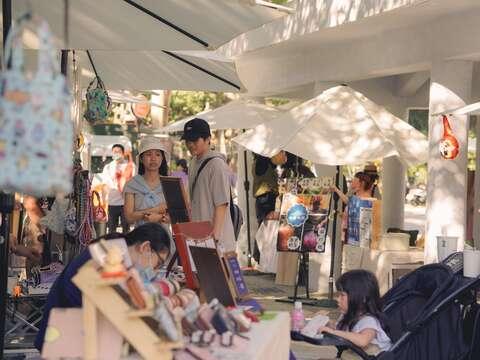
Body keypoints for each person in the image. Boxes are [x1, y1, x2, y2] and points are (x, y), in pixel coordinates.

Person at [34, 223, 172, 352]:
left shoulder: (117, 252)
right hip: (63, 340)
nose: (154, 271)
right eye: (158, 264)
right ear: (146, 248)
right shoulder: (107, 259)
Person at [182, 118, 236, 253]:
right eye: (188, 141)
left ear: (208, 139)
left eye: (195, 140)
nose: (190, 145)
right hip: (199, 237)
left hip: (216, 241)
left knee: (221, 274)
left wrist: (215, 238)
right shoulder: (193, 162)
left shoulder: (216, 165)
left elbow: (222, 204)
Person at [318, 270, 392, 354]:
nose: (337, 299)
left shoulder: (369, 321)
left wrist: (333, 332)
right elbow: (341, 331)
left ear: (362, 299)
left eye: (342, 295)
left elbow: (363, 341)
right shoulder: (347, 316)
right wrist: (327, 324)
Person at [124, 136, 170, 228]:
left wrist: (160, 218)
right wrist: (157, 209)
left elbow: (177, 216)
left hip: (163, 238)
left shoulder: (169, 184)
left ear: (162, 158)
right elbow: (129, 217)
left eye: (157, 154)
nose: (153, 158)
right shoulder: (132, 184)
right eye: (148, 154)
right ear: (141, 159)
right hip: (140, 237)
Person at [252, 152, 286, 262]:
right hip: (265, 198)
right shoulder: (262, 162)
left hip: (265, 198)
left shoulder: (261, 162)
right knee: (264, 227)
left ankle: (259, 256)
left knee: (264, 227)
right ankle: (258, 256)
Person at [101, 144, 135, 233]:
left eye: (118, 152)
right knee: (111, 229)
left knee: (126, 229)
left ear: (123, 153)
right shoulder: (108, 167)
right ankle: (113, 246)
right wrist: (104, 202)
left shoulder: (130, 166)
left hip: (126, 203)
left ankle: (126, 246)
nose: (116, 154)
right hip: (112, 203)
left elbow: (135, 184)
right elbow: (105, 185)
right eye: (114, 152)